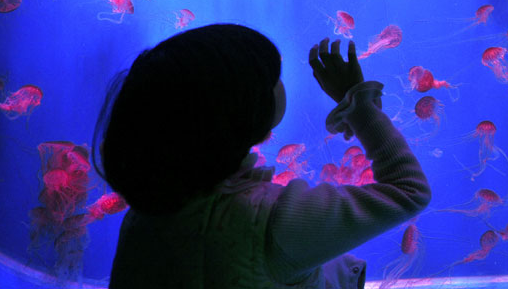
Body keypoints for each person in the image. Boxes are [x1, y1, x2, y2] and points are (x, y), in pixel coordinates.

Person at [94, 23, 431, 288]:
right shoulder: (277, 222)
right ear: (242, 110)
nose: (281, 83)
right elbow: (409, 190)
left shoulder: (146, 213)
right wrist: (358, 104)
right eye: (273, 77)